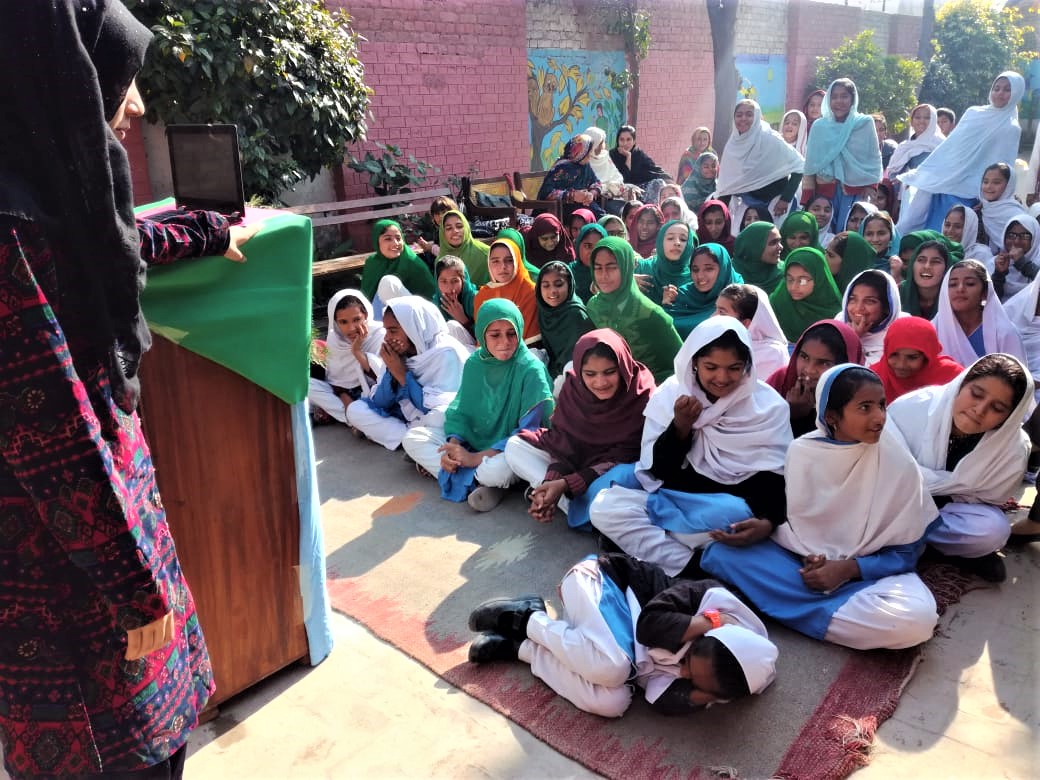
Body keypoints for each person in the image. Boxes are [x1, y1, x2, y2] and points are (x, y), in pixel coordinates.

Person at [0, 3, 214, 776]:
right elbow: (46, 433)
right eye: (119, 76)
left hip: (112, 541)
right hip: (72, 583)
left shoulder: (46, 192)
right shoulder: (6, 225)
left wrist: (210, 231)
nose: (137, 103)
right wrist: (135, 591)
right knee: (131, 759)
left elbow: (111, 239)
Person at [700, 365, 940, 650]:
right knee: (724, 552)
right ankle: (810, 607)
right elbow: (794, 517)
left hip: (868, 577)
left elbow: (906, 552)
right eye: (865, 407)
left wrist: (847, 569)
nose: (879, 417)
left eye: (881, 405)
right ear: (831, 416)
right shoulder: (803, 451)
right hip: (801, 563)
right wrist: (771, 527)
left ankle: (783, 605)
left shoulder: (897, 462)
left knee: (917, 620)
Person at [589, 318, 792, 577]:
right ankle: (691, 565)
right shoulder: (671, 396)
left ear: (747, 367)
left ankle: (655, 548)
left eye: (734, 368)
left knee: (736, 515)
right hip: (672, 501)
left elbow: (775, 478)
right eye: (711, 367)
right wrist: (681, 427)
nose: (722, 378)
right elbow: (659, 471)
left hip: (720, 512)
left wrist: (767, 522)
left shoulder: (768, 408)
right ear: (694, 362)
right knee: (604, 507)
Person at [466, 553, 778, 718]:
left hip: (613, 650)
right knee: (614, 669)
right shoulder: (705, 598)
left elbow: (659, 698)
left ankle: (522, 648)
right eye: (689, 663)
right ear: (715, 634)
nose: (681, 671)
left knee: (611, 702)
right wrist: (706, 623)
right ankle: (526, 618)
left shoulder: (724, 674)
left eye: (692, 679)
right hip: (599, 585)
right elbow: (649, 626)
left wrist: (703, 695)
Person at [889, 354, 1034, 582]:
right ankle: (945, 551)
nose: (980, 409)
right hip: (894, 502)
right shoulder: (912, 408)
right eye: (976, 394)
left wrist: (932, 501)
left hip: (942, 513)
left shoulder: (1013, 448)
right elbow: (885, 468)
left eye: (997, 408)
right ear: (961, 384)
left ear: (1009, 417)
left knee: (993, 531)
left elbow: (988, 499)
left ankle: (924, 547)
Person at [402, 300, 554, 512]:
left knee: (500, 468)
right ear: (482, 333)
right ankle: (482, 482)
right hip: (475, 441)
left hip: (510, 449)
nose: (505, 341)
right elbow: (463, 411)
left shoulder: (530, 369)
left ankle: (480, 479)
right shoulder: (475, 363)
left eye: (512, 333)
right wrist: (453, 448)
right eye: (495, 335)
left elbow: (527, 434)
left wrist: (474, 458)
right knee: (413, 437)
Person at [505, 330, 655, 528]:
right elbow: (563, 441)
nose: (600, 383)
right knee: (515, 446)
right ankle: (556, 498)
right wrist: (553, 480)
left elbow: (630, 454)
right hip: (575, 466)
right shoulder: (574, 388)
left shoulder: (640, 393)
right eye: (590, 374)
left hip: (608, 472)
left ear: (623, 366)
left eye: (609, 372)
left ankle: (562, 500)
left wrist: (566, 484)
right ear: (580, 371)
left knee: (627, 475)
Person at [897, 72, 1024, 234]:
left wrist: (987, 198)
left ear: (1017, 93)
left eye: (1007, 89)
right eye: (996, 88)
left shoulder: (1012, 128)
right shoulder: (973, 113)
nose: (1000, 93)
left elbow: (1004, 167)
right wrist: (921, 174)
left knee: (960, 239)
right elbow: (949, 149)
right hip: (947, 185)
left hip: (974, 195)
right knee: (934, 235)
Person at [345, 296, 469, 453]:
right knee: (355, 409)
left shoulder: (447, 353)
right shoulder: (398, 352)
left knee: (439, 417)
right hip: (406, 420)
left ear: (414, 328)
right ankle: (413, 441)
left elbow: (437, 408)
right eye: (386, 331)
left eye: (393, 331)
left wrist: (402, 374)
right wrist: (391, 370)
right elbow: (380, 402)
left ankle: (413, 442)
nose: (387, 338)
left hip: (432, 418)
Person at [586, 237, 684, 383]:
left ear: (626, 268)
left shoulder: (652, 314)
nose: (603, 275)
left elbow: (681, 363)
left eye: (612, 266)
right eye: (598, 267)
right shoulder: (593, 307)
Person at [802, 79, 882, 233]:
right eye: (834, 97)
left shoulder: (864, 123)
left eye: (844, 96)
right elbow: (810, 166)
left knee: (852, 234)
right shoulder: (819, 126)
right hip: (824, 194)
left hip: (856, 193)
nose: (839, 101)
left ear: (853, 99)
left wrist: (871, 188)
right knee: (824, 236)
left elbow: (873, 159)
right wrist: (807, 199)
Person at [716, 100, 804, 228]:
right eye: (739, 115)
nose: (743, 119)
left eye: (749, 114)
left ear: (757, 116)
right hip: (748, 203)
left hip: (776, 203)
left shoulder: (771, 139)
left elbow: (799, 166)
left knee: (772, 239)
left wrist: (786, 199)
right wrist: (719, 213)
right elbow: (728, 185)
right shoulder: (733, 145)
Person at [767, 320, 864, 436]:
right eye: (804, 357)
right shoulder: (781, 381)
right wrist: (790, 413)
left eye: (824, 363)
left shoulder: (859, 394)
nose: (809, 370)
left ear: (845, 364)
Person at [310, 290, 386, 424]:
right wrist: (347, 402)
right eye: (343, 322)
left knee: (372, 361)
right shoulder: (335, 339)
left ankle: (359, 421)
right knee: (308, 385)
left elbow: (381, 379)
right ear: (336, 323)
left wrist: (356, 351)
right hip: (346, 397)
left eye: (357, 319)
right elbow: (335, 380)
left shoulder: (380, 334)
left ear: (366, 315)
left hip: (375, 395)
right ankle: (354, 420)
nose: (351, 328)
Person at [932, 260, 1026, 368]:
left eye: (970, 284)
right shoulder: (934, 329)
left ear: (985, 293)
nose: (960, 289)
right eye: (952, 284)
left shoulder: (1004, 332)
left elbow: (1017, 378)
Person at [869, 316, 963, 403]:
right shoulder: (872, 378)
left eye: (912, 357)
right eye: (894, 355)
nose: (901, 365)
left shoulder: (952, 377)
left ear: (927, 356)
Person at [667, 243, 744, 338]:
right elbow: (665, 323)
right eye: (695, 270)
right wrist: (665, 304)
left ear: (723, 268)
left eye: (708, 269)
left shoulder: (738, 298)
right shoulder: (684, 294)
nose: (700, 276)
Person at [360, 218, 436, 312]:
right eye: (388, 239)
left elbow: (431, 300)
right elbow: (366, 299)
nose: (395, 243)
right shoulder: (372, 263)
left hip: (414, 317)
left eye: (398, 238)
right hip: (376, 317)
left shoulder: (412, 263)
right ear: (377, 241)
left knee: (388, 283)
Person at [716, 284, 790, 379]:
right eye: (716, 309)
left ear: (745, 323)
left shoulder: (773, 354)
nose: (713, 317)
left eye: (722, 312)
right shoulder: (717, 342)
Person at [769, 247, 843, 342]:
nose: (794, 287)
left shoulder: (835, 314)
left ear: (819, 279)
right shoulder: (776, 304)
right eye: (790, 279)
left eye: (802, 280)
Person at [536, 261, 595, 378]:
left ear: (569, 284)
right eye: (546, 285)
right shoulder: (545, 312)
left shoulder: (576, 314)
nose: (552, 291)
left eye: (558, 284)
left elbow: (578, 359)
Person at [835, 269, 905, 363]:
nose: (858, 308)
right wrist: (849, 337)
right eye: (853, 299)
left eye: (869, 301)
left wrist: (853, 340)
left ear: (887, 307)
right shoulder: (839, 322)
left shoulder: (901, 332)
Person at [537, 133, 604, 221]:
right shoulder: (562, 167)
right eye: (588, 152)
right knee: (595, 215)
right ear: (580, 153)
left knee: (599, 215)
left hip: (581, 206)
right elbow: (546, 192)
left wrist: (591, 193)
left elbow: (596, 182)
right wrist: (572, 195)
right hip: (561, 210)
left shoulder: (585, 165)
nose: (590, 155)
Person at [634, 218, 695, 306]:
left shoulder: (695, 276)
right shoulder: (642, 269)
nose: (677, 243)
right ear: (660, 242)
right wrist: (627, 281)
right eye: (670, 238)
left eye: (683, 239)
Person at [899, 238, 958, 320]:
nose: (927, 266)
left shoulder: (955, 296)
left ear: (946, 269)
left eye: (936, 261)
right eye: (921, 260)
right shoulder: (898, 293)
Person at [610, 124, 672, 201]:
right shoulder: (612, 155)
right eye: (622, 140)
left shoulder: (638, 154)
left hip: (639, 189)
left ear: (634, 141)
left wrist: (669, 179)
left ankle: (655, 210)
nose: (625, 143)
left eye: (628, 139)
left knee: (659, 183)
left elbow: (653, 169)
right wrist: (628, 157)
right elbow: (624, 179)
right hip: (621, 191)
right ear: (617, 141)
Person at [977, 163, 1026, 255]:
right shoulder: (978, 210)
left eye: (996, 182)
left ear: (1009, 185)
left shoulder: (1017, 216)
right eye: (985, 182)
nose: (988, 186)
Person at [886, 104, 945, 181]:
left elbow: (940, 171)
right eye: (917, 117)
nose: (922, 121)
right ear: (911, 121)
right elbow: (892, 172)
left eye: (927, 118)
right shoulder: (903, 146)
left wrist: (908, 177)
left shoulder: (941, 144)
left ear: (934, 120)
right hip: (903, 191)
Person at [433, 254, 478, 345]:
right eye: (444, 281)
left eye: (455, 281)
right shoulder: (435, 304)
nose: (450, 288)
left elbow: (488, 336)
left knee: (452, 326)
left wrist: (464, 320)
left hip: (475, 351)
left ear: (463, 280)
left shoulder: (476, 300)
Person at [437, 209, 491, 286]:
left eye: (459, 226)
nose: (455, 231)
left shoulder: (486, 254)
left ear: (466, 228)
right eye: (449, 228)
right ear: (443, 233)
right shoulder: (440, 260)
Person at [993, 214, 1040, 300]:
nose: (1016, 241)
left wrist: (1023, 263)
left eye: (1025, 236)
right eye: (1011, 235)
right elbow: (990, 300)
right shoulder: (994, 263)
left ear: (1034, 239)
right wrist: (999, 274)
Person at [732, 221, 785, 295]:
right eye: (773, 243)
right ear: (755, 247)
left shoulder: (785, 273)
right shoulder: (731, 273)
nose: (781, 247)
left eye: (779, 241)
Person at [941, 204, 993, 272]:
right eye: (947, 225)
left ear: (969, 229)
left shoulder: (981, 255)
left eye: (957, 227)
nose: (950, 230)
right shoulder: (938, 251)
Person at [584, 125, 630, 201]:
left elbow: (617, 176)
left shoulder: (605, 155)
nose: (602, 147)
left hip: (611, 196)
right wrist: (604, 187)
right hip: (592, 199)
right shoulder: (584, 159)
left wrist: (610, 186)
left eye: (603, 143)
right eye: (599, 143)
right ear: (592, 144)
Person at [824, 230, 876, 295]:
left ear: (848, 261)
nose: (824, 258)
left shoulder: (866, 295)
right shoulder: (823, 286)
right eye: (825, 252)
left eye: (830, 255)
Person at [415, 194, 460, 266]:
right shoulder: (439, 231)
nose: (441, 216)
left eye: (444, 212)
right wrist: (427, 245)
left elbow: (451, 255)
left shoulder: (455, 232)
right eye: (437, 214)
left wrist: (431, 248)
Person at [571, 222, 607, 303]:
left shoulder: (613, 273)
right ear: (578, 246)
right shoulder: (567, 274)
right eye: (587, 246)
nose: (593, 252)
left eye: (599, 246)